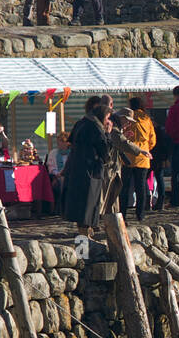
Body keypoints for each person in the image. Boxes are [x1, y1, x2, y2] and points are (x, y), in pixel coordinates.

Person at [65, 99, 111, 234]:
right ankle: (84, 239)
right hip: (91, 170)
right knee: (89, 202)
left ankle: (84, 233)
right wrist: (107, 134)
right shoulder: (95, 127)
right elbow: (104, 150)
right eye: (107, 118)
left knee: (82, 202)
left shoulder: (81, 123)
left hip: (77, 168)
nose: (108, 121)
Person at [118, 96, 155, 220]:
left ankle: (122, 213)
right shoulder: (146, 118)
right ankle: (140, 214)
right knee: (141, 187)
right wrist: (146, 148)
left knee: (125, 187)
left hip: (127, 156)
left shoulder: (128, 118)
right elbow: (152, 139)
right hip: (143, 156)